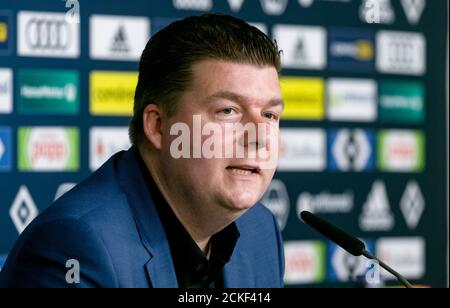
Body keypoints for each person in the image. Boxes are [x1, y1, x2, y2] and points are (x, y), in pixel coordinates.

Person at [0, 14, 285, 288]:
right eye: (228, 111)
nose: (258, 137)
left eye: (270, 115)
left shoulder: (260, 230)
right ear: (159, 127)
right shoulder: (73, 247)